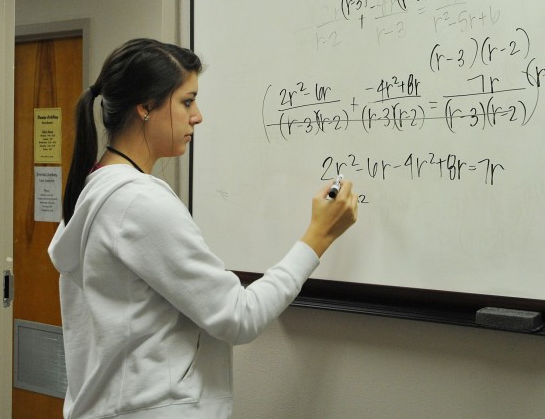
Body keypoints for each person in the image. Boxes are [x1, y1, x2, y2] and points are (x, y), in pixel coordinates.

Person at [48, 38, 358, 419]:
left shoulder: (93, 189)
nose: (198, 116)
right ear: (145, 106)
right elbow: (239, 317)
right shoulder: (139, 204)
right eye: (187, 101)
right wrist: (318, 236)